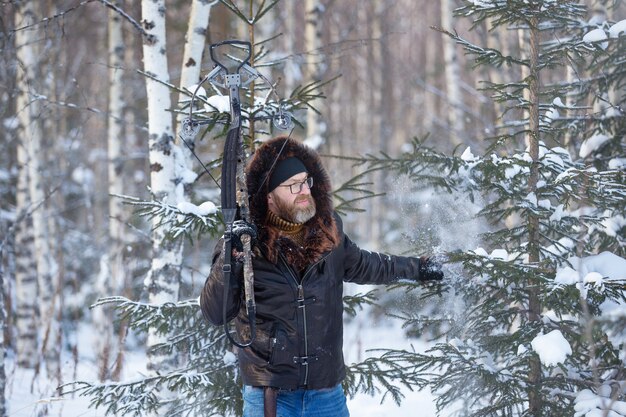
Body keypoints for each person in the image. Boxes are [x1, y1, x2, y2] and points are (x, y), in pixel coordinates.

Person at [200, 136, 444, 417]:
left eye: (306, 181)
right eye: (293, 185)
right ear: (269, 196)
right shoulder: (245, 243)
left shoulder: (328, 232)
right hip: (271, 397)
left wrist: (421, 268)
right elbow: (214, 312)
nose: (305, 190)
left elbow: (369, 265)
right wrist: (231, 258)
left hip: (326, 395)